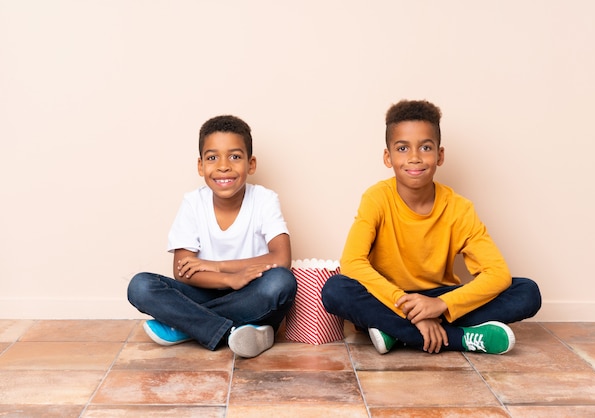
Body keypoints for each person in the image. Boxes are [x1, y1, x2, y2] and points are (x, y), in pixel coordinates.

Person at [321, 100, 541, 355]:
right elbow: (352, 262)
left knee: (527, 292)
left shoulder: (459, 208)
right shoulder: (376, 199)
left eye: (425, 147)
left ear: (440, 155)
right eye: (402, 148)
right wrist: (410, 309)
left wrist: (440, 304)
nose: (414, 157)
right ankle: (459, 338)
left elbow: (497, 273)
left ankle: (395, 332)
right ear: (387, 157)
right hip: (388, 297)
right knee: (335, 289)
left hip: (438, 298)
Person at [128, 115, 297, 358]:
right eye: (212, 158)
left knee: (281, 282)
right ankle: (233, 332)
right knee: (141, 285)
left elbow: (281, 259)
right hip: (204, 291)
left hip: (251, 294)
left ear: (251, 164)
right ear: (200, 166)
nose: (223, 166)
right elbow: (182, 271)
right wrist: (229, 280)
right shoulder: (193, 203)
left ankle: (189, 326)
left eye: (235, 156)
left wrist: (219, 267)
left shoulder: (264, 199)